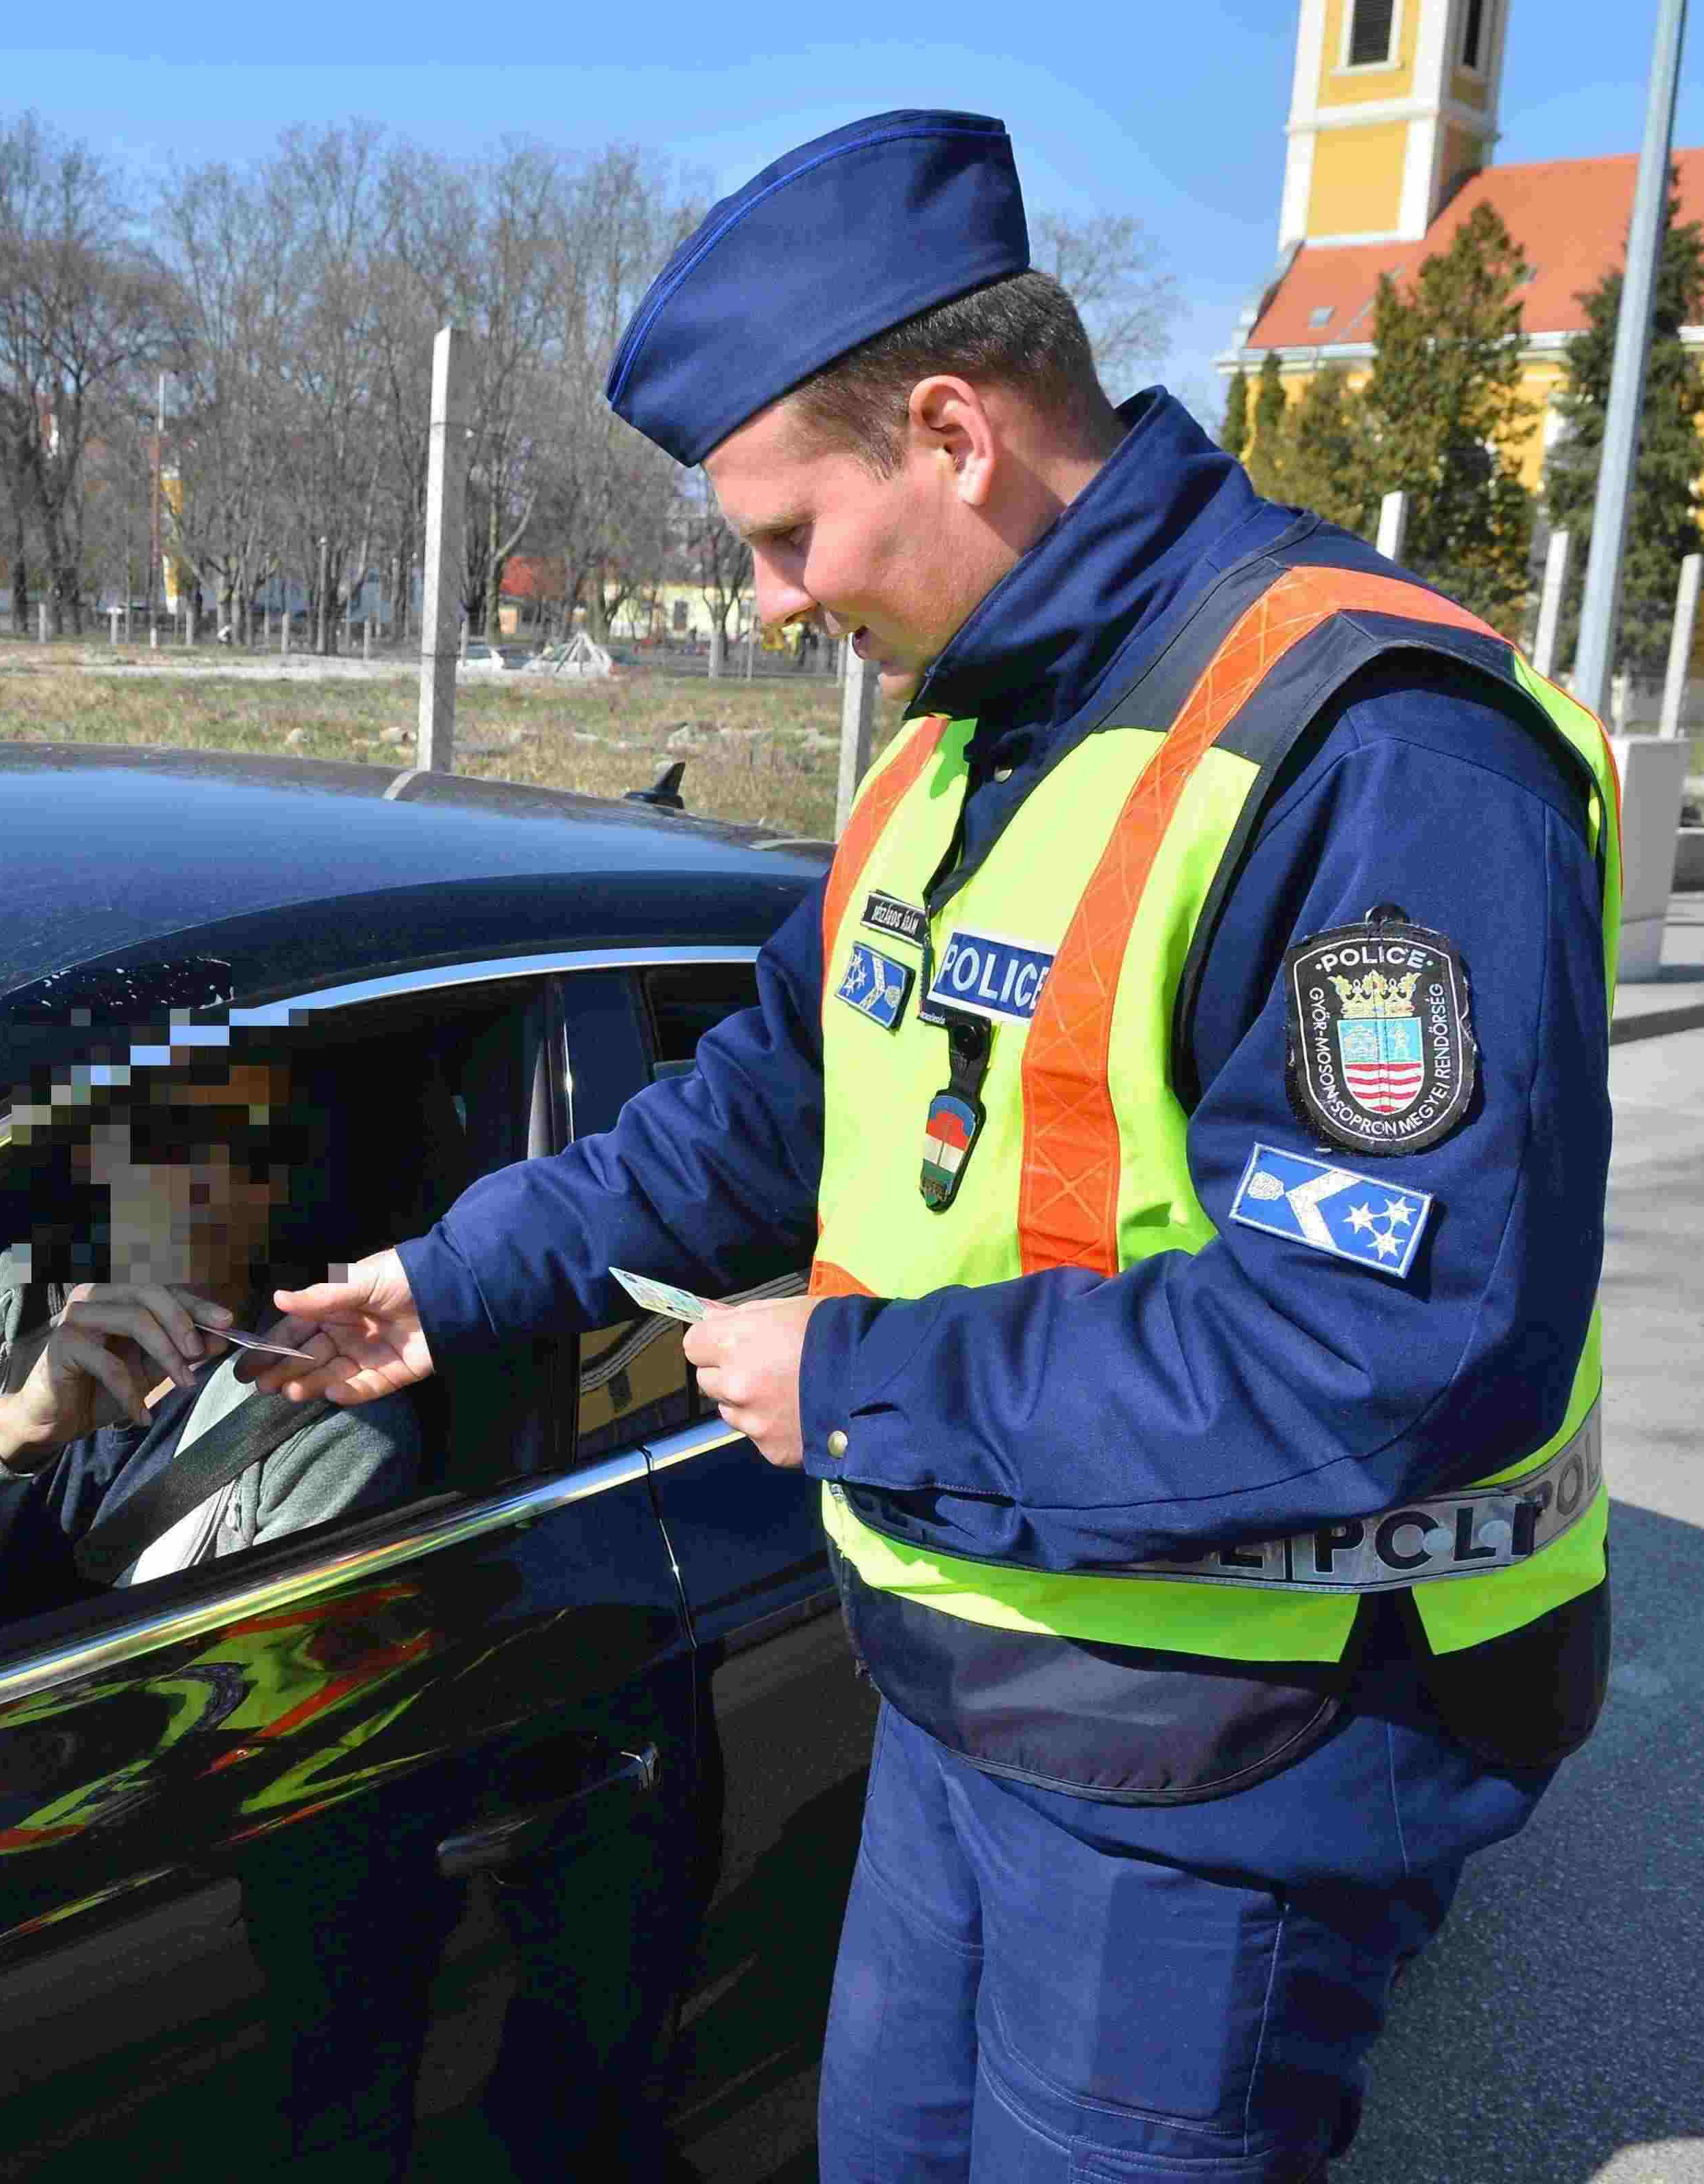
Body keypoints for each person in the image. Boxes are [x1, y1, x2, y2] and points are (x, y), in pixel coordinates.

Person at [250, 109, 1618, 2183]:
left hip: (1223, 1774)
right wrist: (452, 1278)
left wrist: (856, 1381)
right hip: (977, 1704)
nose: (776, 598)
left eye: (789, 534)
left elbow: (1388, 1353)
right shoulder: (964, 738)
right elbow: (762, 1111)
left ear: (956, 433)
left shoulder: (1376, 753)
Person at [0, 1054, 421, 1656]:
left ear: (280, 1187)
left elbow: (257, 1701)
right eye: (164, 1137)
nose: (201, 1180)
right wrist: (15, 1427)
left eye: (249, 1151)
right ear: (100, 1154)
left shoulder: (328, 1407)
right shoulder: (1, 1302)